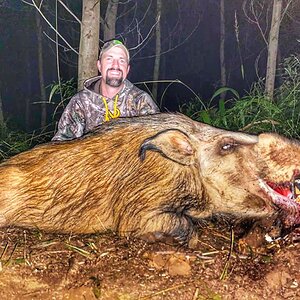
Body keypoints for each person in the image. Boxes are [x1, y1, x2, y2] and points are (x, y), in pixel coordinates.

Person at [52, 39, 159, 141]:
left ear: (127, 69)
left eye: (121, 60)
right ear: (99, 65)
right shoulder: (81, 102)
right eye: (109, 59)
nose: (115, 65)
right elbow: (61, 145)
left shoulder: (141, 101)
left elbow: (156, 144)